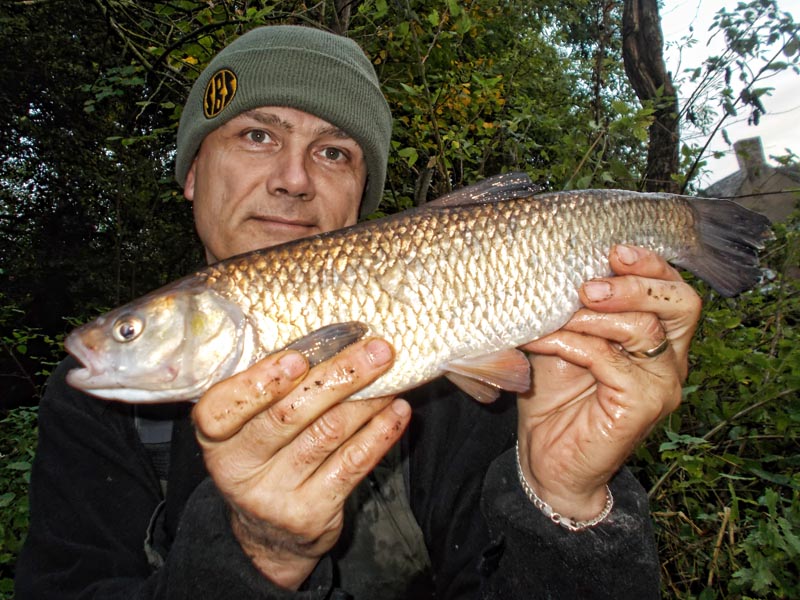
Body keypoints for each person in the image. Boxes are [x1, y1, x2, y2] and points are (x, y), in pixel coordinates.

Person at [16, 25, 700, 599]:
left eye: (334, 152)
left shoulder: (479, 399)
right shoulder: (102, 412)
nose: (292, 178)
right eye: (257, 136)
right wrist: (252, 557)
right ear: (193, 170)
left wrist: (565, 501)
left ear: (363, 199)